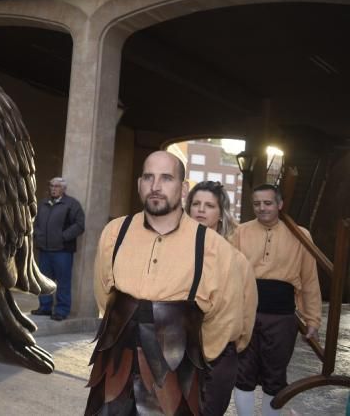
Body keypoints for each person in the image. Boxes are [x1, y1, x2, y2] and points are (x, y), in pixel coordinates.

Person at [87, 151, 246, 415]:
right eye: (148, 177)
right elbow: (103, 293)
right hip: (114, 363)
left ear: (183, 188)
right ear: (139, 183)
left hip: (176, 371)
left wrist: (188, 351)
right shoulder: (115, 232)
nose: (156, 187)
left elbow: (225, 319)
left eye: (166, 178)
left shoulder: (213, 247)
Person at [232, 183, 322, 416]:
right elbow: (228, 274)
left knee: (275, 375)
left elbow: (309, 279)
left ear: (280, 204)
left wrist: (313, 318)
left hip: (281, 317)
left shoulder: (301, 235)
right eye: (257, 204)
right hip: (246, 314)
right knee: (243, 373)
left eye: (268, 203)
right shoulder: (240, 232)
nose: (262, 208)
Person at [186, 181, 258, 416]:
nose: (200, 210)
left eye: (209, 205)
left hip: (218, 360)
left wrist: (227, 346)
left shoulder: (236, 260)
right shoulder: (173, 255)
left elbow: (247, 313)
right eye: (195, 204)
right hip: (175, 353)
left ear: (220, 214)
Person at [32, 176, 85, 321]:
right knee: (44, 280)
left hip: (62, 251)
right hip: (44, 250)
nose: (53, 189)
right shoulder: (43, 204)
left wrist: (63, 236)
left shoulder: (72, 204)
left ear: (64, 189)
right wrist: (38, 234)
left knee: (63, 282)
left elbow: (80, 225)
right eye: (52, 186)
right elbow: (35, 222)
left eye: (57, 186)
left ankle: (61, 310)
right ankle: (45, 307)